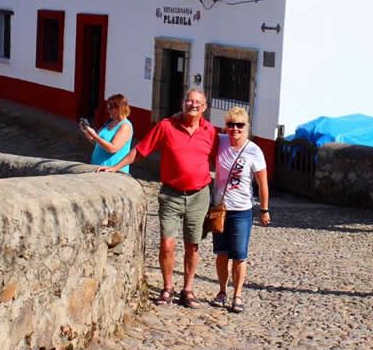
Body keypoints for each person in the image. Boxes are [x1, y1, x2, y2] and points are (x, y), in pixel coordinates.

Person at [98, 87, 217, 308]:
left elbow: (219, 159)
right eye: (189, 101)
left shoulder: (210, 131)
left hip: (199, 195)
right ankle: (167, 287)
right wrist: (116, 167)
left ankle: (188, 290)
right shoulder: (166, 126)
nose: (192, 105)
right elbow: (141, 149)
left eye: (197, 103)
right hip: (171, 194)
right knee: (167, 244)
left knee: (193, 245)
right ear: (183, 103)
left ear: (204, 107)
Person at [210, 107, 269, 314]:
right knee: (221, 253)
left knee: (239, 255)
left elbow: (262, 183)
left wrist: (264, 209)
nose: (235, 129)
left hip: (242, 210)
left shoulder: (254, 150)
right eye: (231, 124)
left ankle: (238, 295)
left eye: (240, 125)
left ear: (247, 127)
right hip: (220, 209)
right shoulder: (221, 141)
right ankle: (222, 291)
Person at [81, 94, 133, 173]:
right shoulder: (109, 122)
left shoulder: (125, 126)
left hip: (111, 170)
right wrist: (87, 133)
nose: (108, 111)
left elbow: (113, 148)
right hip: (98, 167)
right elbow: (97, 142)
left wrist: (94, 135)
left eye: (111, 108)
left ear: (119, 108)